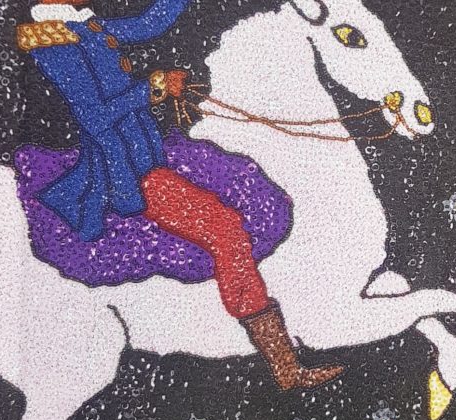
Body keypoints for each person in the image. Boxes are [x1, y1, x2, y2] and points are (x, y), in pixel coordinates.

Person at [17, 0, 344, 390]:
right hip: (128, 171)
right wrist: (154, 88)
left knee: (231, 221)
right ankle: (285, 368)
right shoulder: (51, 43)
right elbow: (95, 117)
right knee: (226, 232)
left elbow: (148, 24)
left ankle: (285, 365)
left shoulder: (86, 27)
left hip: (149, 155)